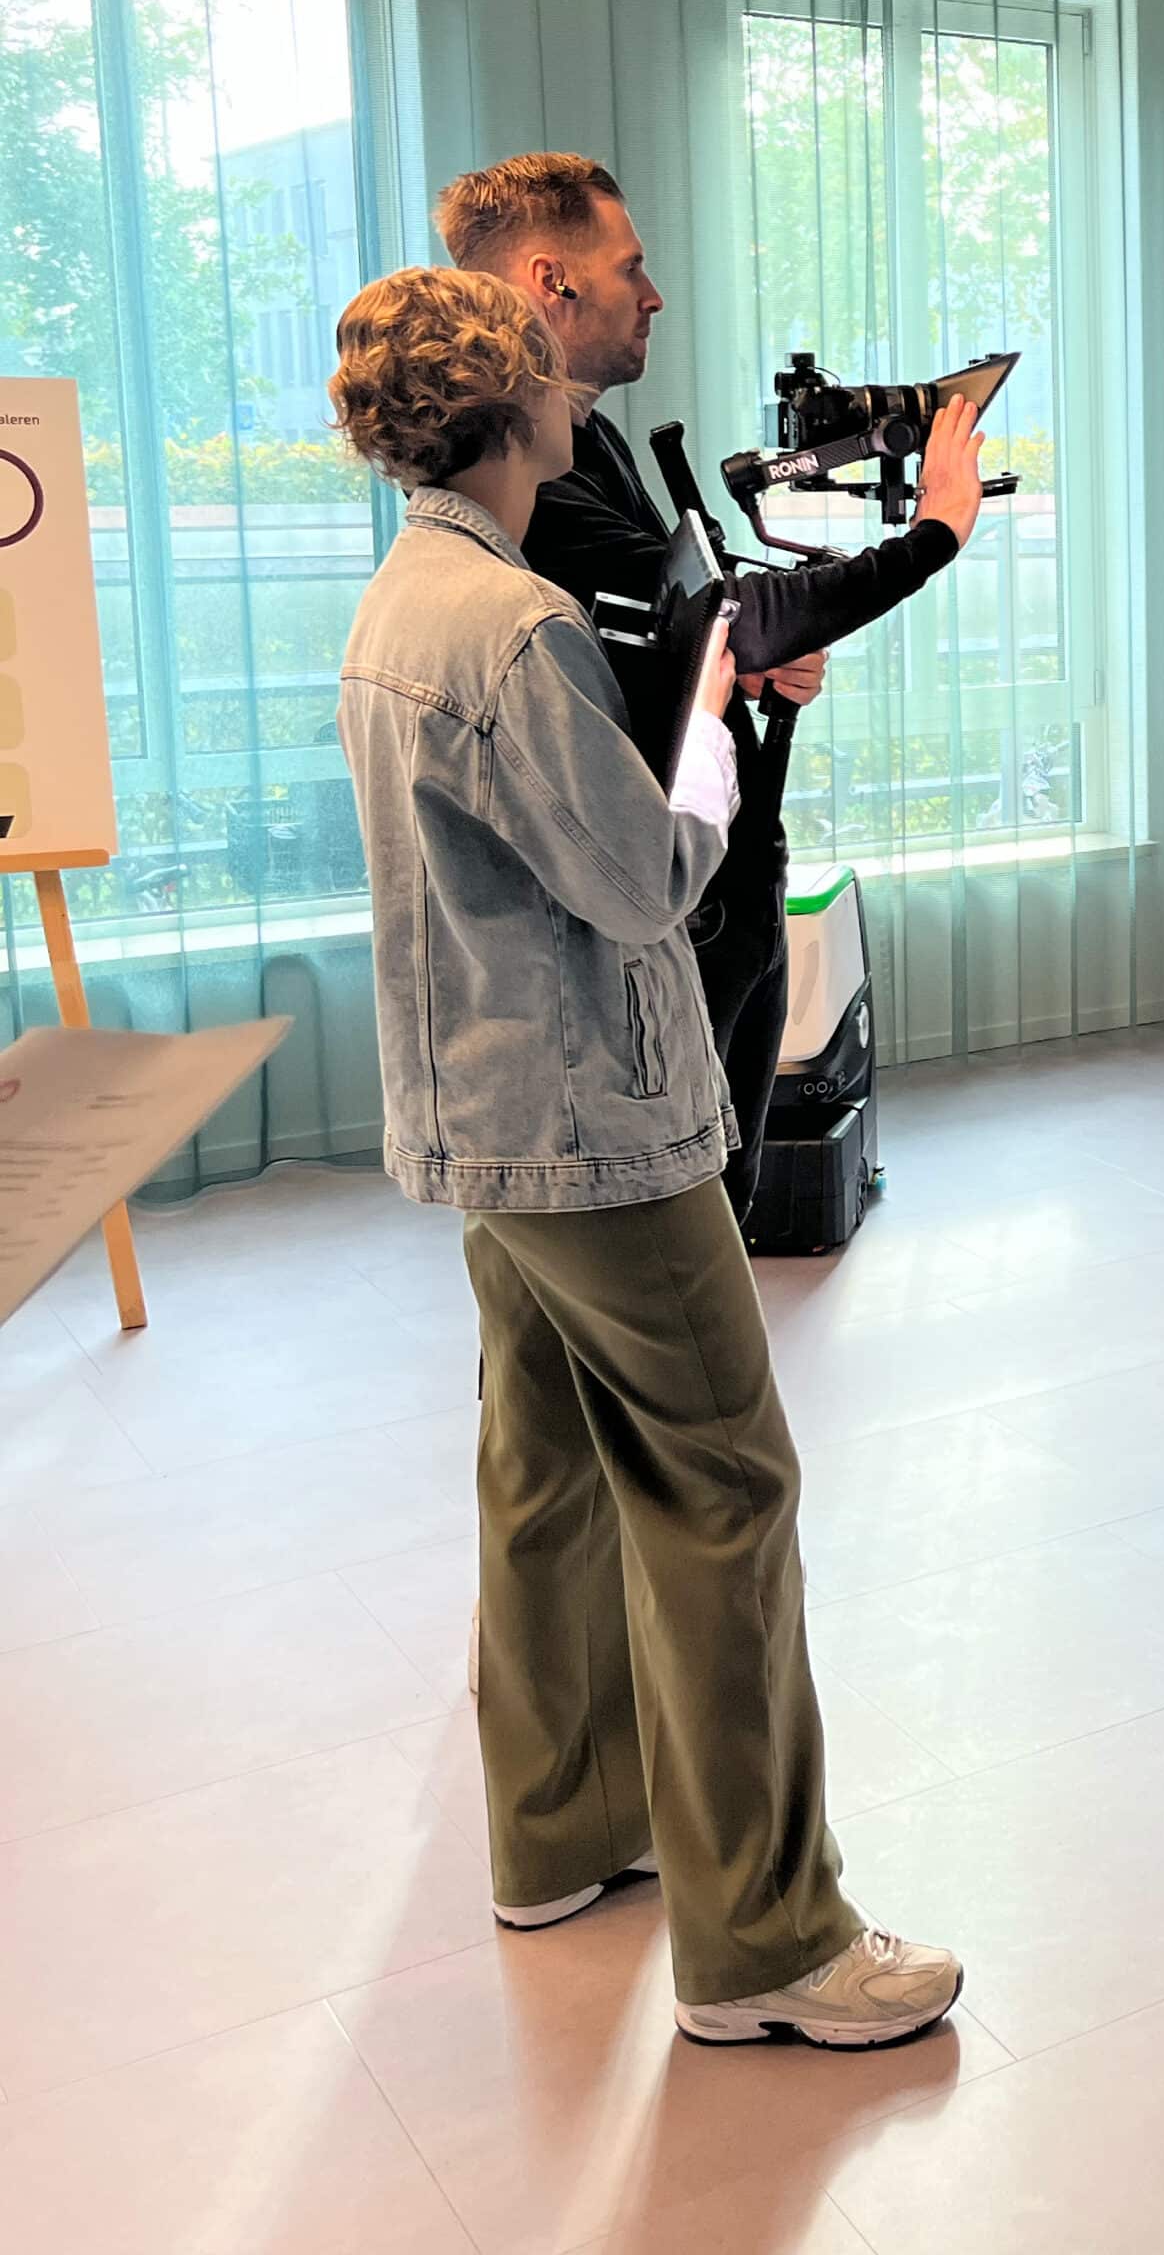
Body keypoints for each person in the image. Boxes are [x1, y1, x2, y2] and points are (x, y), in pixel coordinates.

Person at [333, 265, 962, 2048]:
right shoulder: (517, 628)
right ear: (514, 402)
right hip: (595, 1125)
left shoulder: (402, 600)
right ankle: (769, 1942)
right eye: (554, 373)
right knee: (727, 1488)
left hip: (482, 1114)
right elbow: (648, 876)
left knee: (541, 1470)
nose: (578, 394)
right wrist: (713, 721)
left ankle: (561, 1830)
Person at [433, 153, 986, 1221]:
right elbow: (717, 614)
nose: (653, 295)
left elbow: (671, 619)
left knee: (724, 1210)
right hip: (659, 900)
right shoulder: (524, 474)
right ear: (552, 281)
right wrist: (933, 533)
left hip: (723, 878)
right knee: (689, 1245)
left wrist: (751, 655)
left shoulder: (586, 438)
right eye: (629, 267)